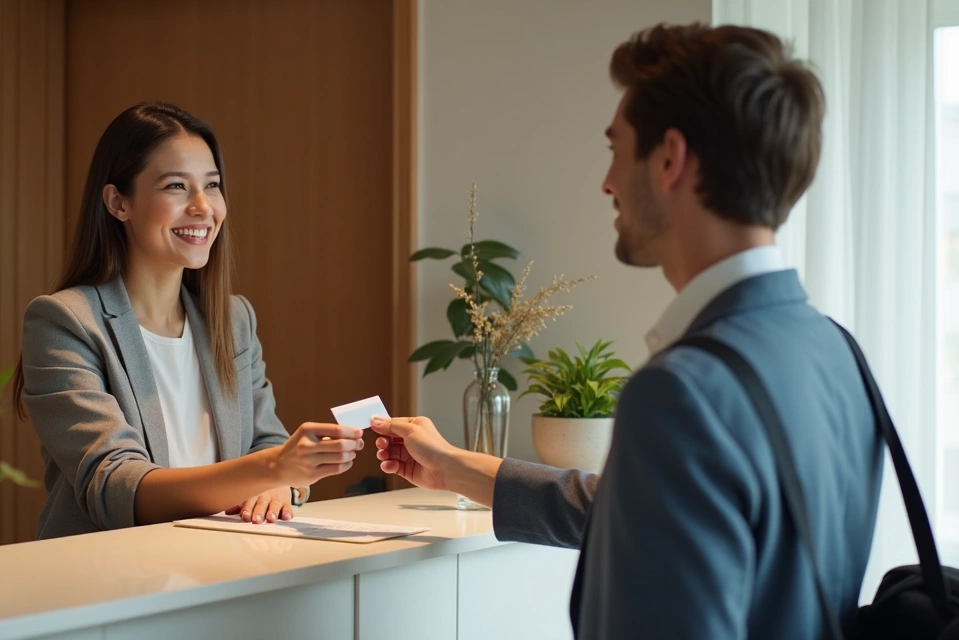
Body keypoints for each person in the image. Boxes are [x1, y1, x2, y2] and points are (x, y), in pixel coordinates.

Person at [372, 24, 884, 639]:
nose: (607, 182)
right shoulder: (836, 351)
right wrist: (455, 466)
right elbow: (645, 513)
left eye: (616, 148)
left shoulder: (685, 389)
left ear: (670, 159)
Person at [16, 102, 364, 540]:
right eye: (176, 186)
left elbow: (267, 443)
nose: (203, 207)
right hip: (110, 585)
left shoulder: (233, 319)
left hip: (219, 573)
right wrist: (271, 469)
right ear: (118, 202)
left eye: (212, 186)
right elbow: (116, 488)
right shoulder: (64, 322)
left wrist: (281, 483)